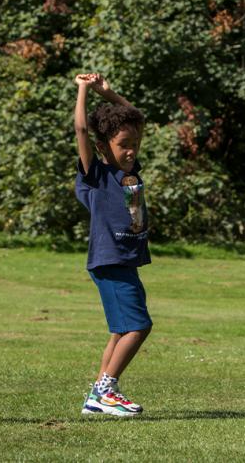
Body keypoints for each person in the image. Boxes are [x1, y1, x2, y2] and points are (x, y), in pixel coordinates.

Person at [73, 73, 152, 418]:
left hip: (125, 260)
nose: (131, 149)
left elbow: (137, 118)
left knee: (122, 329)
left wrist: (109, 93)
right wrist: (83, 91)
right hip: (110, 260)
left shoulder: (131, 170)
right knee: (139, 326)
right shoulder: (98, 174)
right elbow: (80, 131)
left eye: (134, 143)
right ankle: (107, 389)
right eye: (123, 144)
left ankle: (96, 396)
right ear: (105, 147)